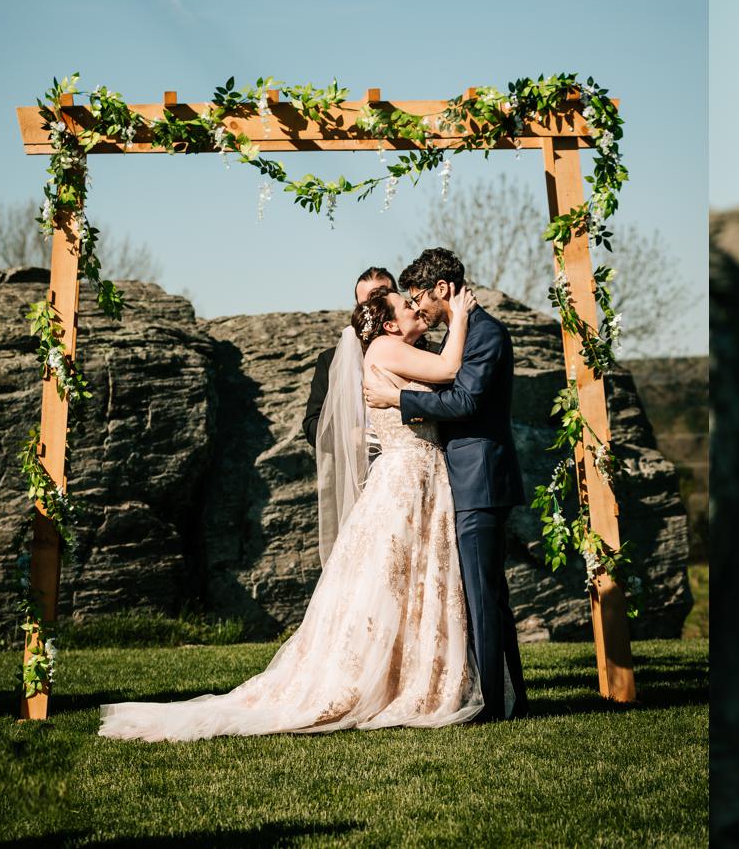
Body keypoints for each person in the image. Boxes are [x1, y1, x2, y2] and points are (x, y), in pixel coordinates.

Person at [99, 285, 484, 740]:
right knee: (392, 577)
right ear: (388, 324)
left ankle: (403, 675)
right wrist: (459, 314)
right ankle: (380, 679)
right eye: (405, 306)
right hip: (405, 477)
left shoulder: (395, 348)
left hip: (418, 476)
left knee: (402, 581)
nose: (414, 307)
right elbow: (449, 368)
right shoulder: (386, 348)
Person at [365, 247, 528, 723]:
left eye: (420, 299)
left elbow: (465, 402)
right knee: (485, 595)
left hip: (480, 481)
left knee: (483, 596)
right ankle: (507, 696)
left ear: (443, 290)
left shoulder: (488, 335)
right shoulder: (458, 337)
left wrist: (397, 397)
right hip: (461, 481)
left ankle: (494, 705)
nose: (419, 310)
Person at [302, 266, 396, 448]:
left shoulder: (424, 351)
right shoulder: (330, 360)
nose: (374, 310)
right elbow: (311, 425)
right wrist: (346, 435)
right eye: (365, 305)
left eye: (380, 300)